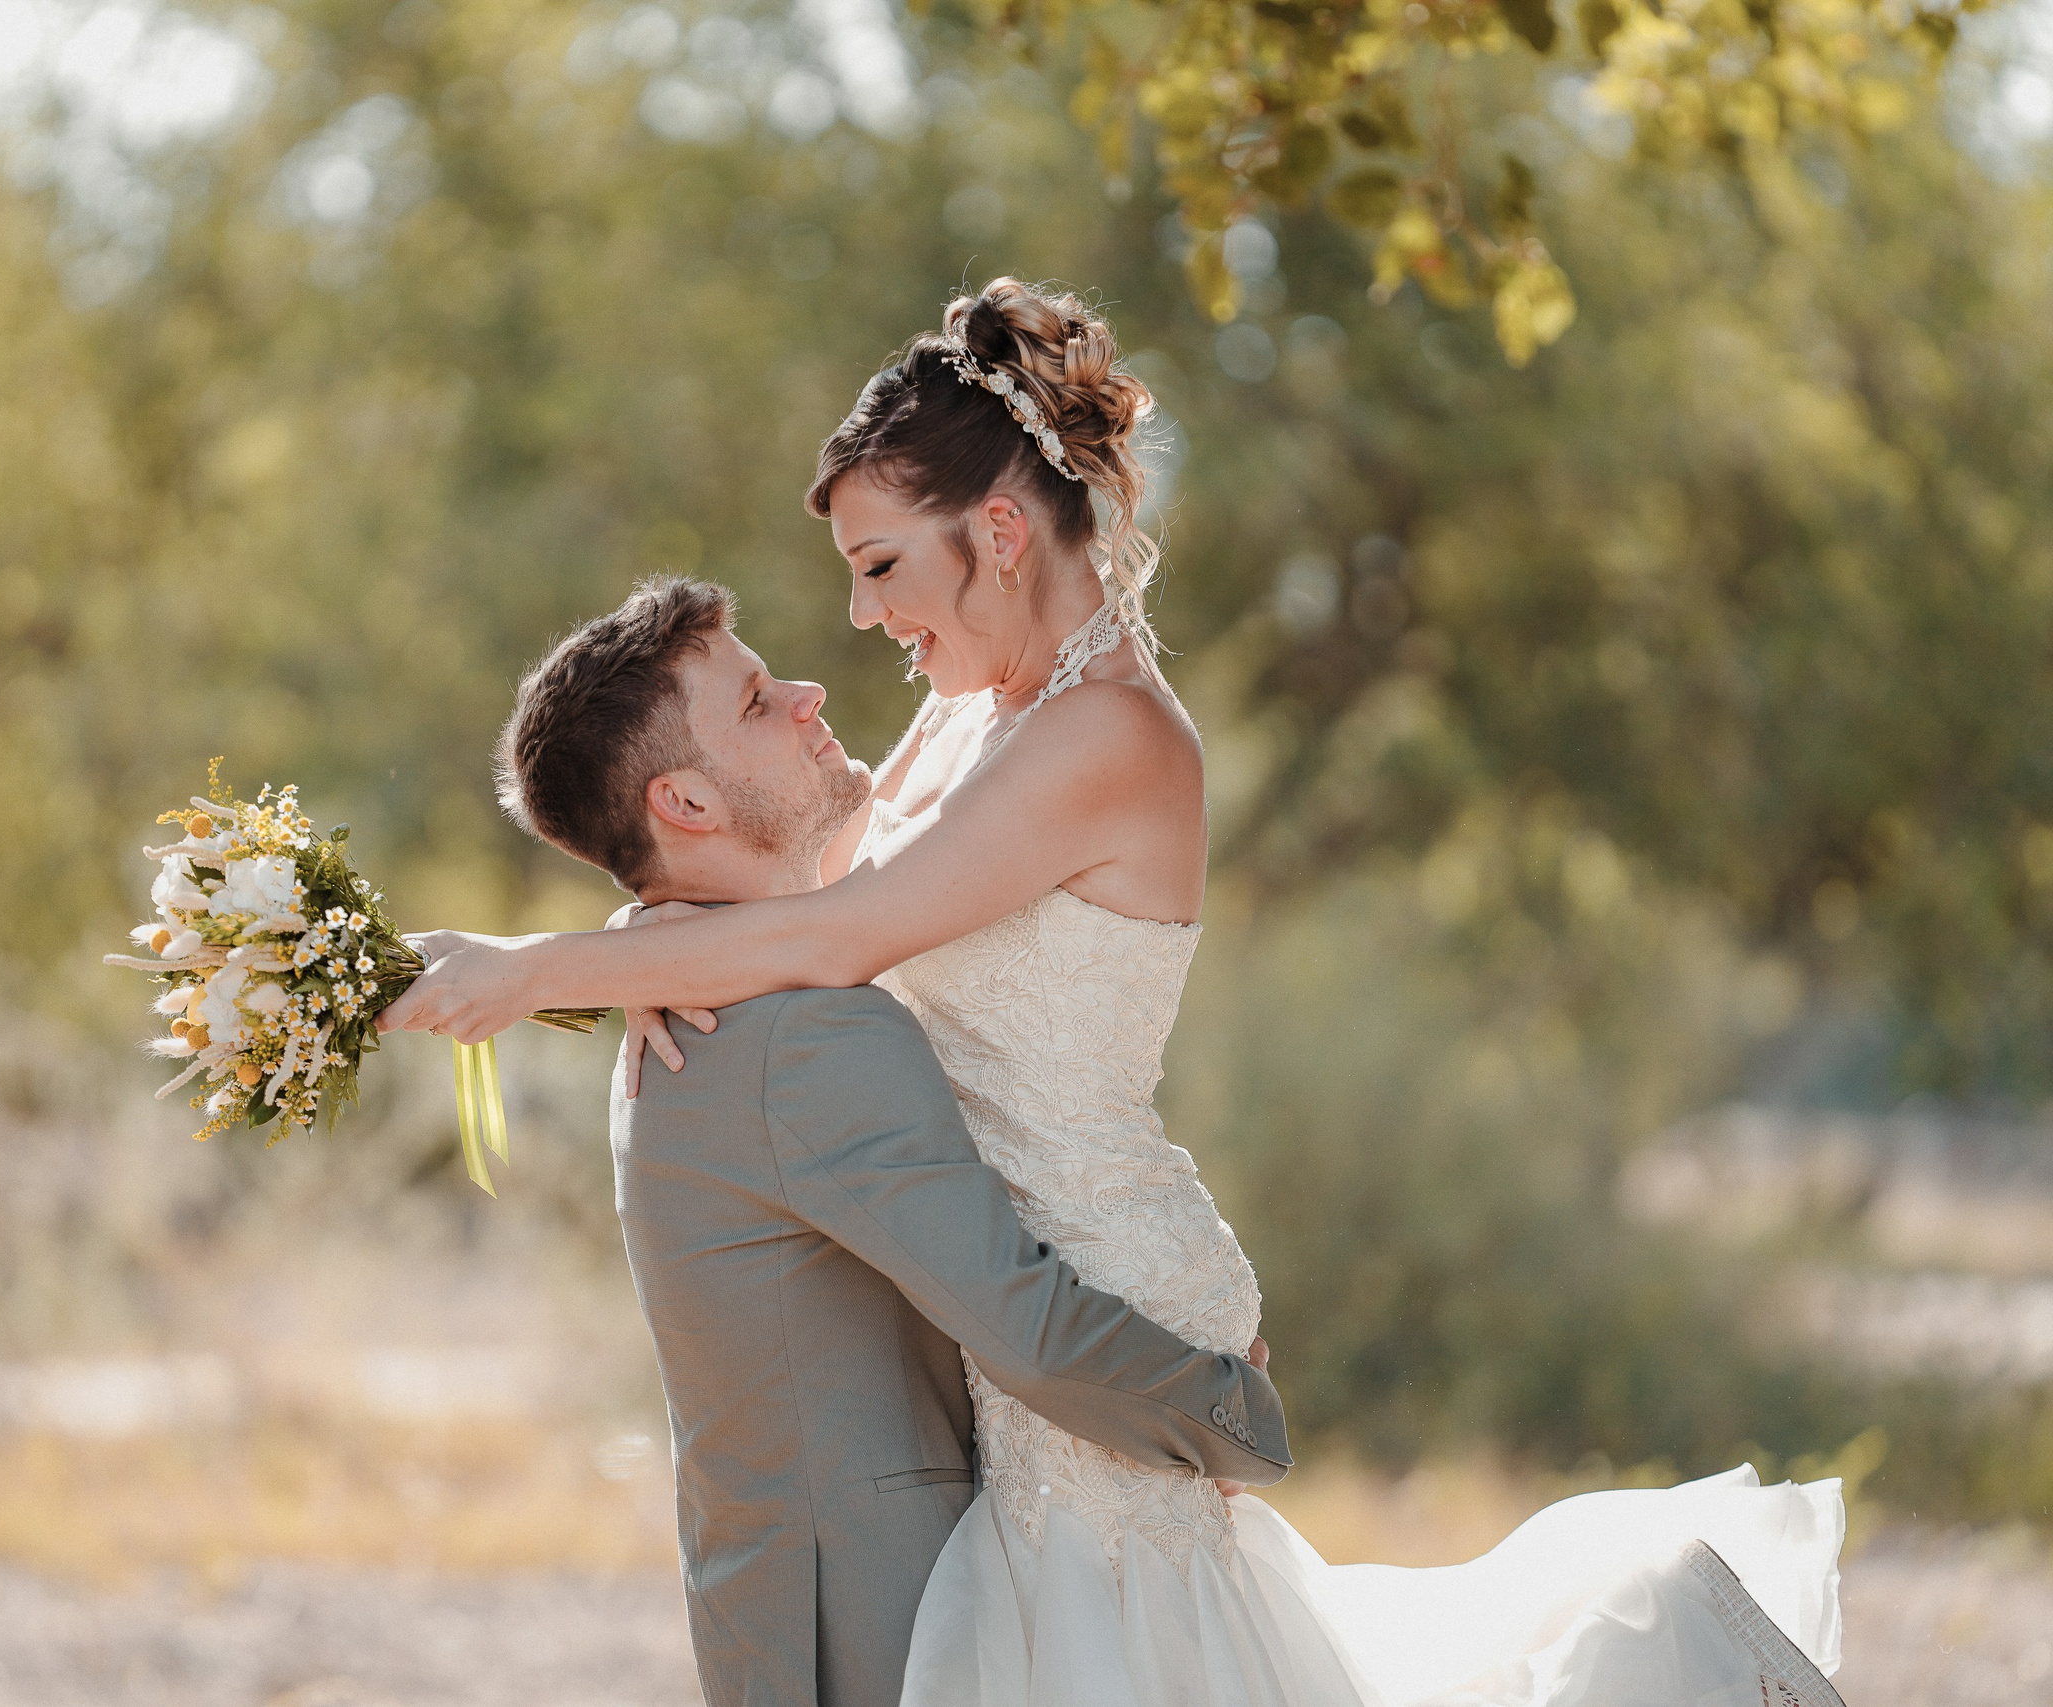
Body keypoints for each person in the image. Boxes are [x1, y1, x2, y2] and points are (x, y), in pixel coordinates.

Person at [382, 280, 1847, 1705]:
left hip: (1098, 1271)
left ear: (1001, 531)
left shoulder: (1108, 738)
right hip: (1015, 1296)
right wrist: (645, 934)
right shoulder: (969, 713)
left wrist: (542, 973)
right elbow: (784, 887)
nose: (863, 619)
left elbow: (848, 932)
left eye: (883, 566)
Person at [492, 575, 1290, 1707]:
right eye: (761, 701)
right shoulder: (806, 1035)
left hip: (789, 1613)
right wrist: (1236, 1415)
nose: (811, 692)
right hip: (886, 1626)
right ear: (685, 804)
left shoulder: (693, 1002)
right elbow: (1032, 1334)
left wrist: (639, 935)